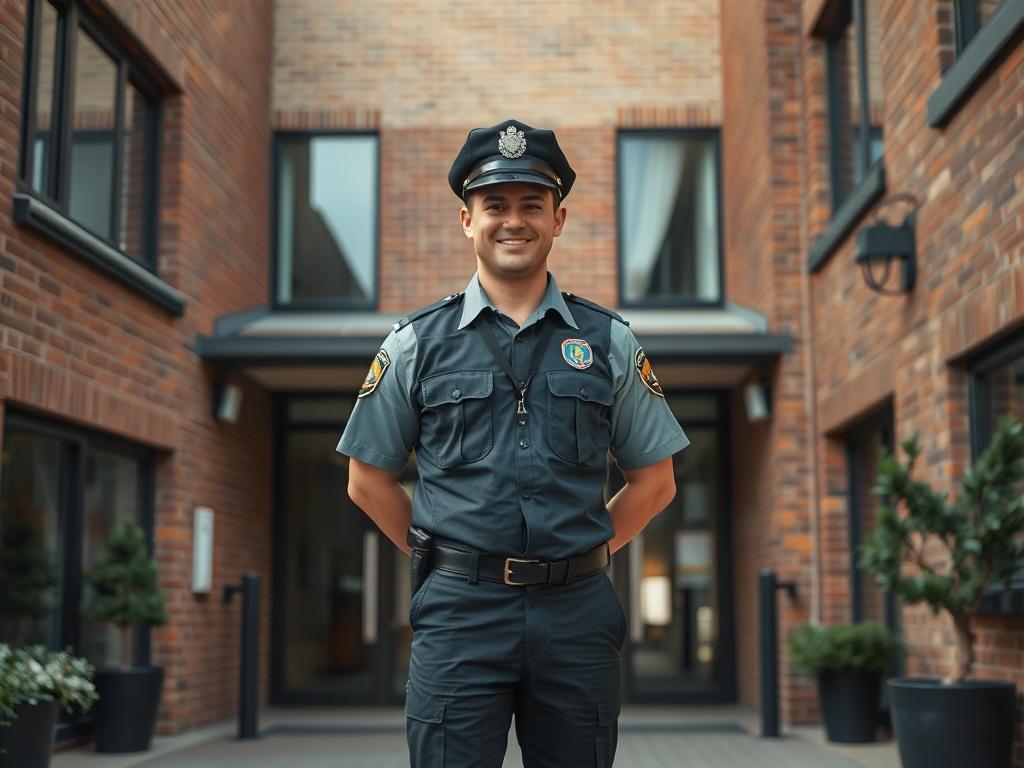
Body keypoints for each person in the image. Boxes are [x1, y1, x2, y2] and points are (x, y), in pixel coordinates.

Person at [337, 119, 690, 767]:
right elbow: (368, 480)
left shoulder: (608, 340)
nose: (513, 220)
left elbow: (656, 482)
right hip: (459, 614)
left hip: (577, 614)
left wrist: (585, 550)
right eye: (494, 204)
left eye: (532, 204)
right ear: (465, 220)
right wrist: (437, 553)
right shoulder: (415, 343)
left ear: (558, 219)